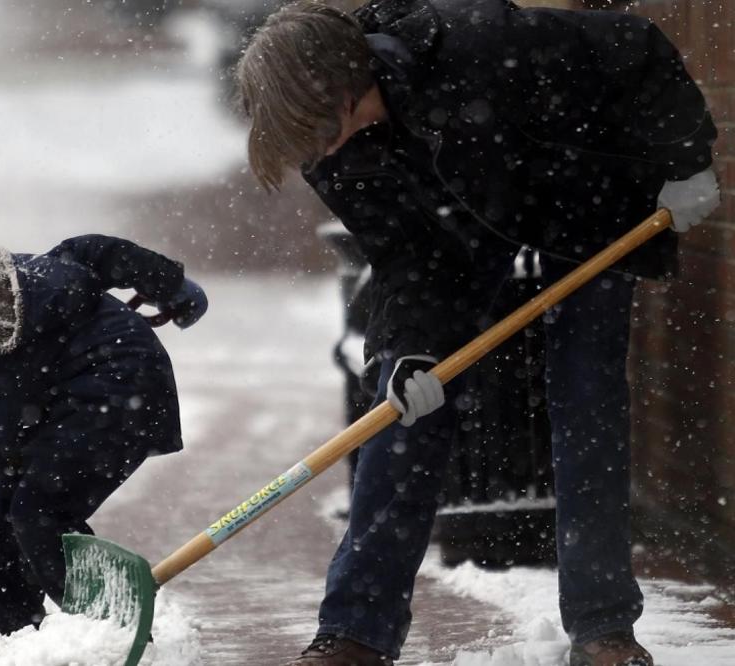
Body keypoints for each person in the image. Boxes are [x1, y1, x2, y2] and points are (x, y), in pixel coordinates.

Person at [235, 1, 719, 665]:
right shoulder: (332, 151)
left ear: (347, 84)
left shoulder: (480, 45)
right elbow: (406, 257)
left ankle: (604, 630)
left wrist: (686, 159)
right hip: (465, 229)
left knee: (587, 398)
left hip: (590, 202)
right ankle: (355, 631)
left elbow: (634, 45)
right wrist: (410, 352)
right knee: (401, 407)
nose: (320, 149)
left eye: (319, 126)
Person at [0, 181, 207, 634]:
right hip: (75, 400)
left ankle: (105, 621)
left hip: (121, 397)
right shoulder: (10, 277)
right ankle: (10, 622)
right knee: (12, 497)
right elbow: (88, 252)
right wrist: (169, 283)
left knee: (38, 509)